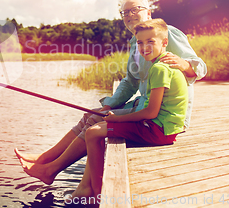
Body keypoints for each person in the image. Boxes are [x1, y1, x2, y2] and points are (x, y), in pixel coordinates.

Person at [15, 0, 206, 185]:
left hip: (163, 115)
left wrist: (183, 64)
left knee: (96, 121)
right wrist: (109, 104)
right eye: (125, 12)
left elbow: (201, 68)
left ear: (148, 12)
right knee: (91, 116)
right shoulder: (135, 43)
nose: (129, 15)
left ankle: (51, 170)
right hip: (146, 106)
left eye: (135, 9)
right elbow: (131, 82)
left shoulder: (166, 32)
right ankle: (45, 159)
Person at [79, 18, 189, 198]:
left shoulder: (159, 69)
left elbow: (151, 112)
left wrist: (116, 118)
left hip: (158, 130)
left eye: (150, 42)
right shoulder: (162, 65)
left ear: (165, 43)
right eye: (140, 42)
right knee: (95, 130)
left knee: (92, 133)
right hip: (164, 128)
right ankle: (92, 188)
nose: (144, 47)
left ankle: (97, 193)